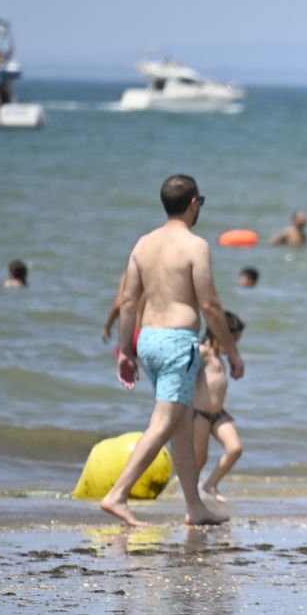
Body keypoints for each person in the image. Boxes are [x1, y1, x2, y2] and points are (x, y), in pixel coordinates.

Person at [100, 175, 243, 527]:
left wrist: (125, 350)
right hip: (178, 341)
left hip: (147, 339)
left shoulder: (142, 244)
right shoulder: (195, 246)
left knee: (180, 424)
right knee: (165, 421)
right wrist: (231, 352)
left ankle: (194, 506)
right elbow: (209, 304)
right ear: (193, 203)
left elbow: (129, 300)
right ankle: (118, 494)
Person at [193, 311, 246, 503]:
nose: (234, 345)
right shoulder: (204, 352)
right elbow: (185, 371)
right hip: (198, 414)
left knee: (235, 448)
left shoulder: (220, 357)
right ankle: (189, 495)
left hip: (218, 414)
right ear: (219, 333)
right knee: (199, 460)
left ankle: (209, 485)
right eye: (232, 340)